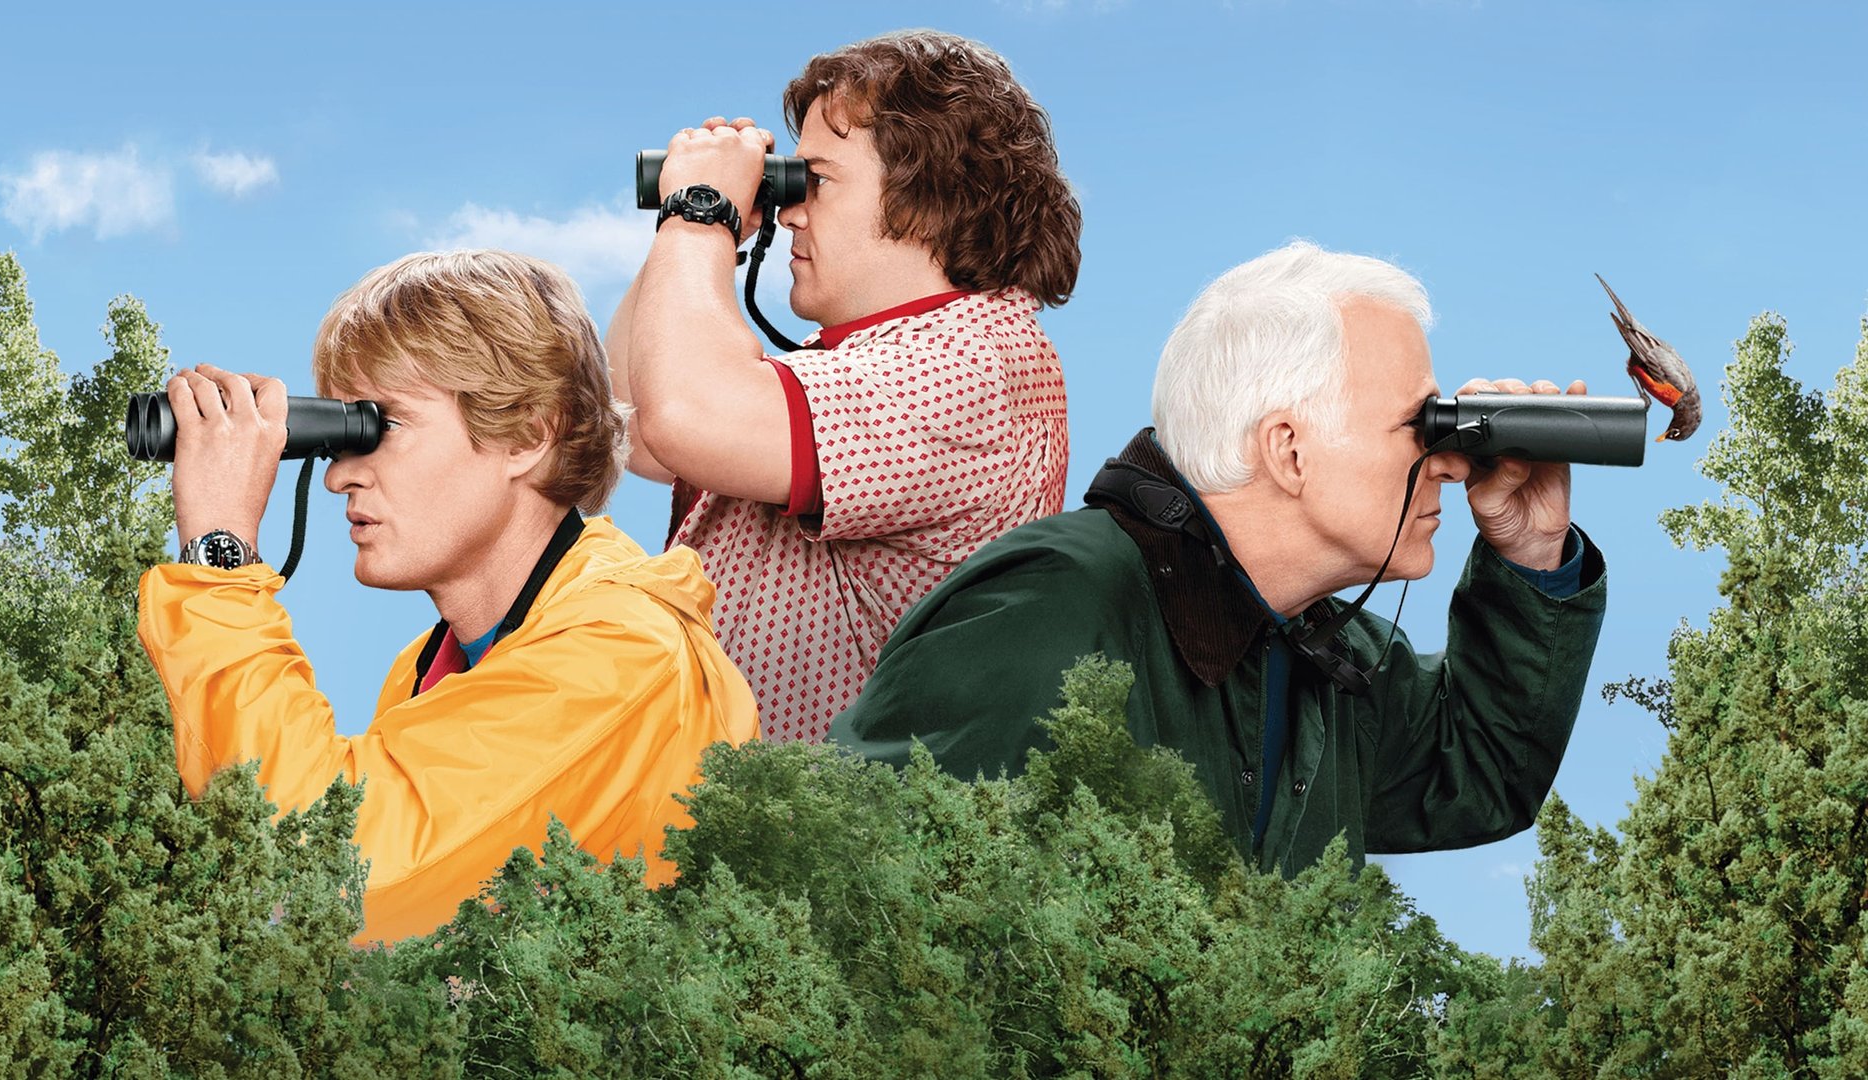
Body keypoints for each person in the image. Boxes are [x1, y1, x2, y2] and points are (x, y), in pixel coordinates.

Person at [830, 241, 1608, 874]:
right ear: (1289, 450)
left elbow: (1475, 771)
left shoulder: (1316, 649)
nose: (1448, 462)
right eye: (1420, 425)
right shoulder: (1055, 609)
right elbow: (857, 894)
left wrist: (1532, 553)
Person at [136, 250, 758, 942]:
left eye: (384, 424)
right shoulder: (434, 668)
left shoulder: (623, 653)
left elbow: (332, 872)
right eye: (343, 429)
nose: (341, 474)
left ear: (525, 434)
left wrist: (221, 555)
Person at [607, 29, 1083, 743]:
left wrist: (700, 211)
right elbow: (634, 420)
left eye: (816, 180)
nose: (792, 207)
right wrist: (706, 225)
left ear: (929, 195)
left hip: (833, 836)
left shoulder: (974, 365)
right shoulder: (860, 356)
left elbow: (685, 418)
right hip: (744, 822)